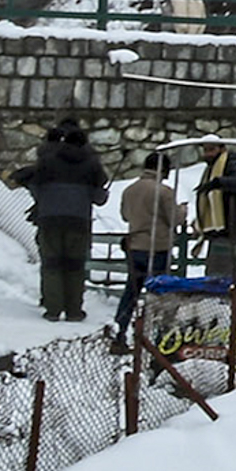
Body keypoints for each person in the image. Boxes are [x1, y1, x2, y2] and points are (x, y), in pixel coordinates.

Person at [22, 118, 106, 323]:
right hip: (79, 221)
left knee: (52, 264)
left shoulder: (48, 160)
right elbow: (99, 197)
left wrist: (44, 201)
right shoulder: (92, 164)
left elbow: (34, 185)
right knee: (75, 266)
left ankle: (53, 309)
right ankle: (74, 310)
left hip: (50, 219)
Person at [113, 150, 181, 332]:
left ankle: (120, 328)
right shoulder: (164, 191)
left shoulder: (129, 189)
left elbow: (125, 216)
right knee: (159, 292)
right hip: (157, 247)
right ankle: (156, 333)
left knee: (131, 291)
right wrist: (183, 211)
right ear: (164, 170)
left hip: (135, 246)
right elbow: (175, 219)